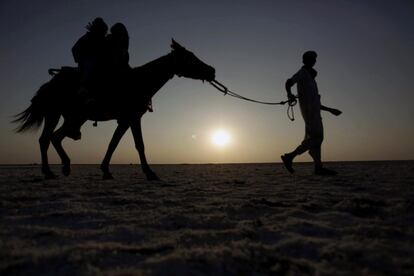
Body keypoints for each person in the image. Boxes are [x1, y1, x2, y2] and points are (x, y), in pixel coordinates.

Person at [281, 51, 342, 175]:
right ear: (307, 60)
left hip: (314, 112)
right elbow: (289, 82)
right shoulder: (303, 73)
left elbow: (316, 103)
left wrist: (330, 110)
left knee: (316, 139)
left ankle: (318, 167)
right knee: (317, 137)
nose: (314, 61)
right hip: (309, 113)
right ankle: (290, 156)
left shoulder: (312, 81)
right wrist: (289, 94)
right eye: (312, 59)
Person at [72, 17, 108, 91]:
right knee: (91, 63)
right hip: (88, 60)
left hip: (101, 60)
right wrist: (81, 59)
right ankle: (83, 87)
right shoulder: (87, 37)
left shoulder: (104, 39)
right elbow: (74, 49)